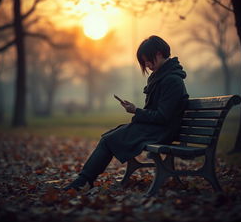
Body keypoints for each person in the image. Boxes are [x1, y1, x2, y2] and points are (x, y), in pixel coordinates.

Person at [62, 35, 189, 191]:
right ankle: (85, 180)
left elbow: (163, 116)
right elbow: (157, 112)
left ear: (158, 54)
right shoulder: (162, 76)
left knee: (109, 140)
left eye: (148, 60)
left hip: (163, 132)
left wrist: (136, 111)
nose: (147, 65)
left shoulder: (171, 80)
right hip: (156, 128)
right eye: (144, 62)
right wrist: (136, 110)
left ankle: (84, 181)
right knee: (109, 137)